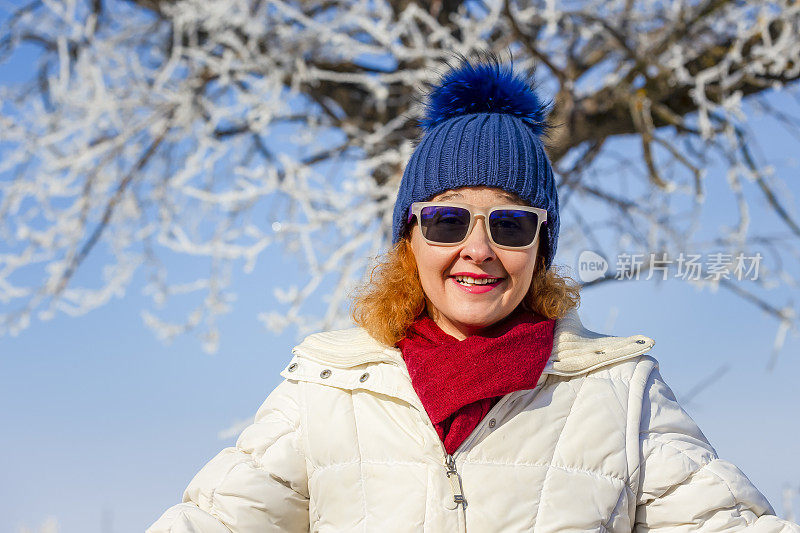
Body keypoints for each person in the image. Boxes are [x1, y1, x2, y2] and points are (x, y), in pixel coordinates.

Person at [148, 54, 800, 532]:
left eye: (512, 223)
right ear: (411, 237)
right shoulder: (326, 388)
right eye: (447, 219)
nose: (478, 250)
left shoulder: (621, 394)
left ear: (541, 248)